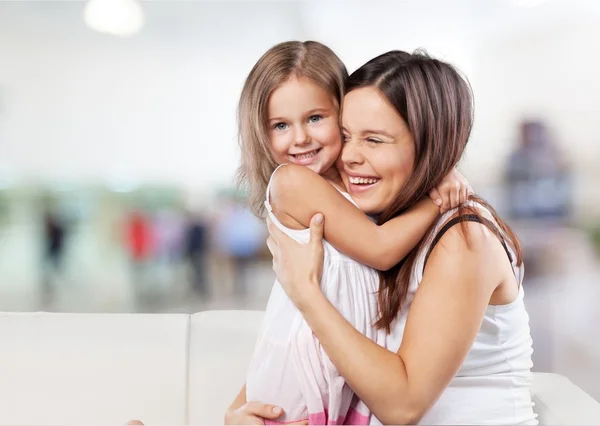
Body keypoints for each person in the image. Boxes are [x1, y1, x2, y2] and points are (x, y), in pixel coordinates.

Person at [230, 50, 537, 425]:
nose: (349, 157)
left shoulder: (463, 238)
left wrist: (306, 293)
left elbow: (402, 407)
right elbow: (295, 336)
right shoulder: (376, 223)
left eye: (374, 140)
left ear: (430, 144)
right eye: (345, 136)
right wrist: (239, 413)